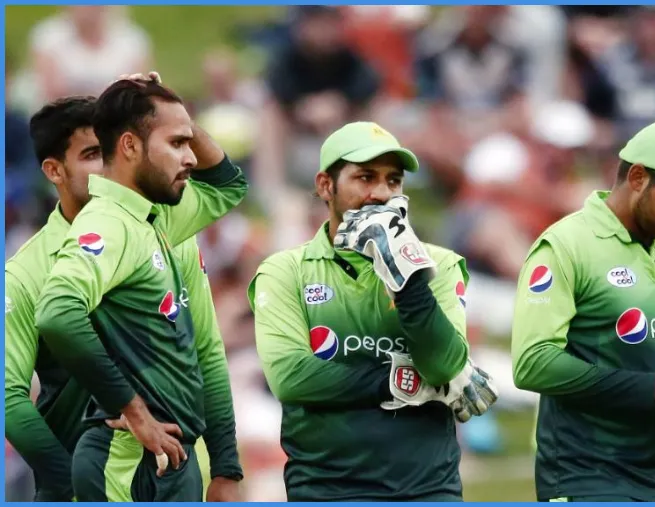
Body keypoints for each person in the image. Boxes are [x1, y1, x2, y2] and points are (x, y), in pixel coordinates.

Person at [248, 121, 498, 501]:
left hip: (428, 490)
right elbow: (291, 377)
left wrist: (407, 276)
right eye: (365, 177)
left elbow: (444, 366)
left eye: (393, 181)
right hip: (325, 489)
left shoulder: (440, 265)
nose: (381, 193)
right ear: (325, 186)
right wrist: (399, 381)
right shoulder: (286, 271)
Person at [32, 75, 248, 501]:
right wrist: (133, 411)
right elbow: (57, 313)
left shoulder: (156, 216)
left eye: (189, 142)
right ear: (130, 146)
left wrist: (225, 464)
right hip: (128, 459)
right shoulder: (108, 224)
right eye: (177, 143)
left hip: (174, 455)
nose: (190, 156)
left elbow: (229, 184)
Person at [511, 118, 655, 502]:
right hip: (584, 478)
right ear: (639, 177)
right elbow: (533, 362)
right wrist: (652, 388)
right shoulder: (566, 245)